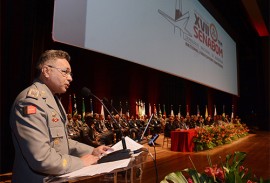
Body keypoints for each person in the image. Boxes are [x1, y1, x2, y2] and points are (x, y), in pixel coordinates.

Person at [9, 50, 112, 183]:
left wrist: (93, 151)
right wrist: (81, 162)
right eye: (65, 72)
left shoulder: (52, 99)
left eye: (70, 73)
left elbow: (61, 142)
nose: (70, 78)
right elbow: (42, 158)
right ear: (46, 71)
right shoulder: (30, 102)